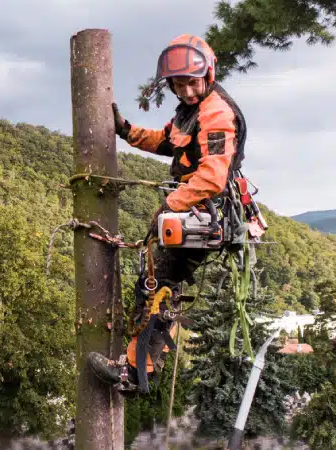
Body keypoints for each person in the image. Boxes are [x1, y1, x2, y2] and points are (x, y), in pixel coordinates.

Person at [88, 33, 247, 395]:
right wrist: (127, 132)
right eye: (179, 85)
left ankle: (134, 371)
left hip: (205, 212)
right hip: (194, 210)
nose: (187, 91)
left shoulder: (217, 113)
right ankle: (138, 366)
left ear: (207, 74)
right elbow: (166, 141)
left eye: (192, 83)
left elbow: (212, 176)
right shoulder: (189, 112)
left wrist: (173, 203)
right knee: (159, 282)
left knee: (155, 284)